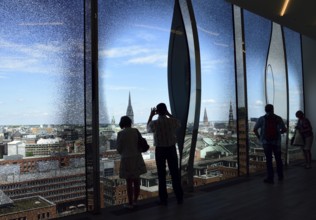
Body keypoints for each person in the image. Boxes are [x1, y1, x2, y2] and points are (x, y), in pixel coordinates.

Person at [147, 103, 183, 205]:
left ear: (157, 111)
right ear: (166, 110)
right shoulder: (171, 121)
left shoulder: (155, 123)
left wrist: (151, 115)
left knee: (161, 174)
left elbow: (148, 129)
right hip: (171, 149)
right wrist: (169, 114)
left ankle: (163, 199)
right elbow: (178, 123)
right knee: (175, 173)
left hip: (160, 150)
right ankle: (179, 196)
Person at [117, 116, 147, 209]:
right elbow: (141, 144)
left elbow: (119, 149)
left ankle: (130, 203)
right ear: (130, 122)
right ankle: (135, 201)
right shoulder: (135, 131)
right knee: (136, 181)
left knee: (129, 182)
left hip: (126, 159)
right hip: (136, 157)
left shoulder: (120, 134)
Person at [253, 104, 287, 184]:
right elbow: (284, 129)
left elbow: (255, 129)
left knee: (269, 160)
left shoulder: (262, 119)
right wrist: (278, 133)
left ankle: (270, 178)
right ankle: (280, 176)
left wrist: (260, 137)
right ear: (273, 109)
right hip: (276, 142)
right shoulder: (278, 118)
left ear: (265, 110)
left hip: (266, 142)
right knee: (278, 159)